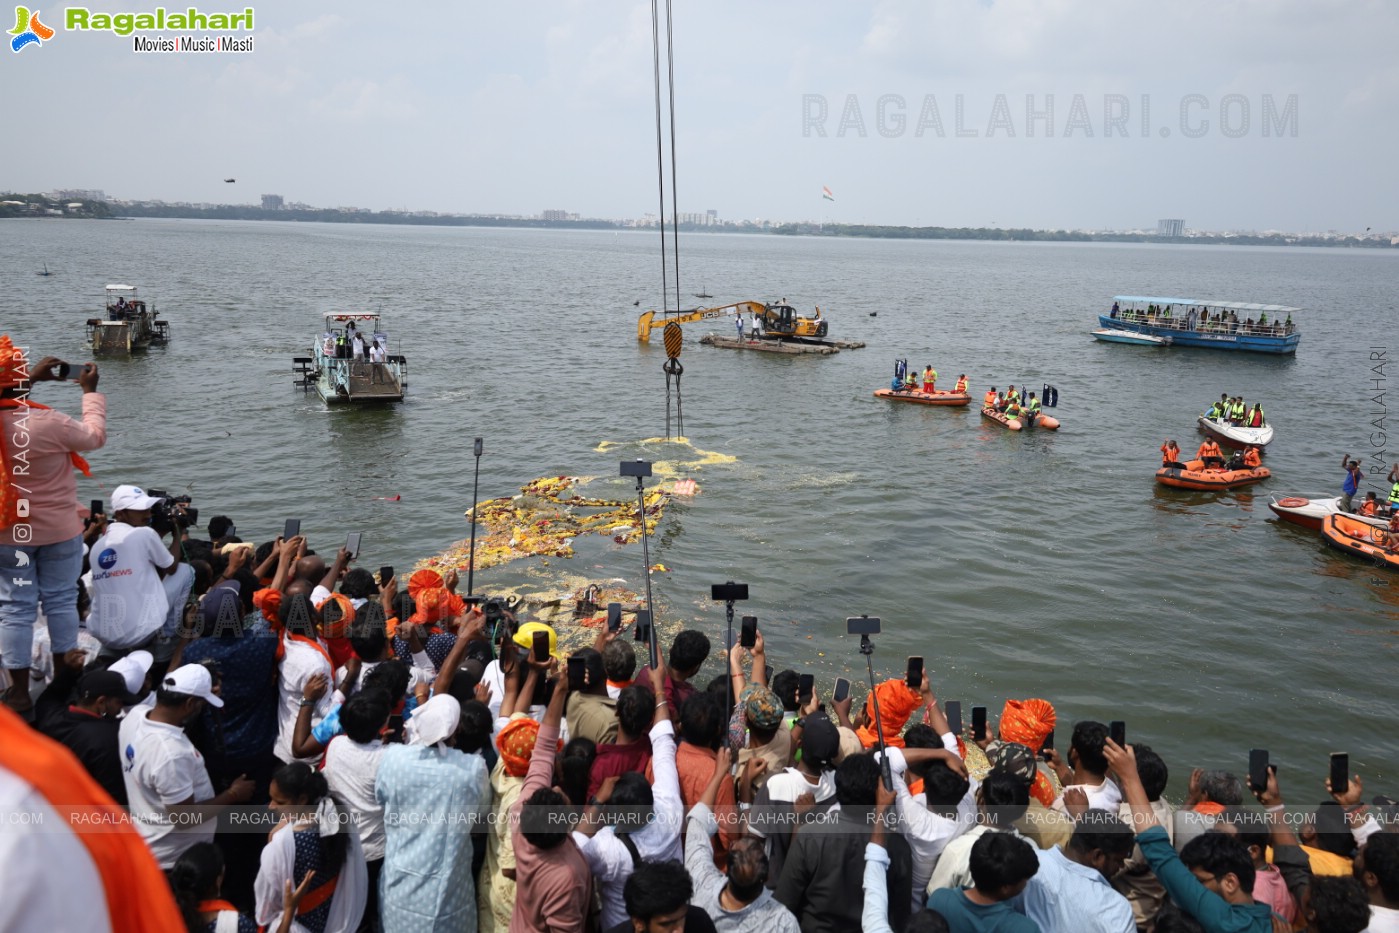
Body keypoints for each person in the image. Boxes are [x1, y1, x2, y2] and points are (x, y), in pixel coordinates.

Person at [0, 341, 105, 715]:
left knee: (15, 607)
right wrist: (89, 393)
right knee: (60, 599)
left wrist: (26, 379)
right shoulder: (48, 422)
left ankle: (16, 690)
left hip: (9, 531)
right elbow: (93, 437)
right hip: (59, 530)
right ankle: (64, 673)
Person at [1106, 740, 1276, 932]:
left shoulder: (1227, 922)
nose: (1189, 887)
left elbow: (1159, 852)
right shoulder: (1270, 919)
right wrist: (1274, 804)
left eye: (1199, 881)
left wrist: (1129, 778)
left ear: (1230, 882)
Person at [119, 663, 255, 868]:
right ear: (190, 703)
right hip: (174, 859)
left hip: (149, 841)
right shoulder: (171, 754)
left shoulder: (134, 716)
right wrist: (233, 794)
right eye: (200, 704)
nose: (202, 709)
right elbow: (184, 817)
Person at [686, 750, 801, 932]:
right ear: (766, 878)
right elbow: (795, 872)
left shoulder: (703, 889)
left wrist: (718, 775)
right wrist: (799, 821)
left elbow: (697, 823)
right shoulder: (781, 922)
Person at [255, 762, 367, 933]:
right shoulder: (338, 816)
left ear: (301, 800)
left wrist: (275, 839)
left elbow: (268, 905)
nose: (271, 806)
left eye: (279, 801)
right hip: (331, 916)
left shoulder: (282, 844)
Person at [1017, 809, 1137, 933]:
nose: (1122, 866)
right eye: (1118, 860)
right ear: (1097, 856)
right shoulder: (1116, 909)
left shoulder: (1028, 865)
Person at [35, 659, 131, 804]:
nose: (121, 707)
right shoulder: (107, 738)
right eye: (119, 701)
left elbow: (51, 695)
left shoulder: (50, 714)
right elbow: (113, 797)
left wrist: (69, 670)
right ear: (101, 702)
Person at [925, 832, 1040, 933]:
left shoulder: (939, 900)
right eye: (1025, 879)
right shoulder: (1024, 929)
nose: (1026, 884)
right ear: (1006, 887)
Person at [605, 859, 718, 933]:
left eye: (682, 918)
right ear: (639, 923)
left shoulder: (699, 922)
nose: (679, 931)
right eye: (666, 924)